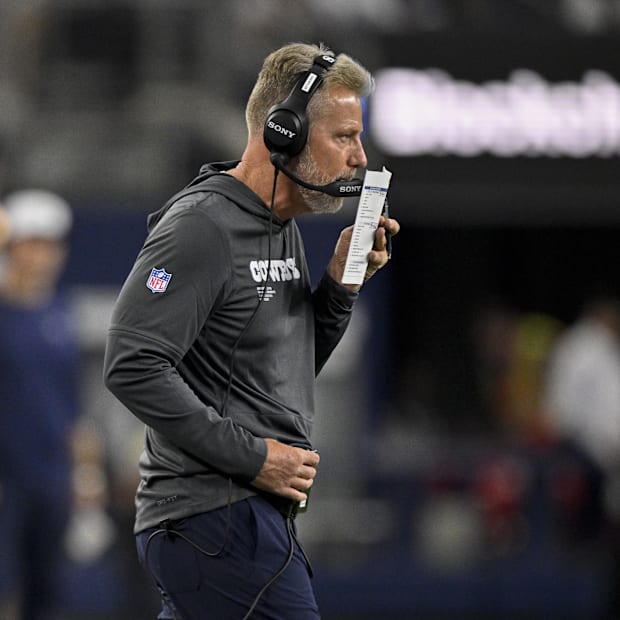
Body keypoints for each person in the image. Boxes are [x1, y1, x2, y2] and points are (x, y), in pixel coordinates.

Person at [104, 41, 399, 619]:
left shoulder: (275, 224)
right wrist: (255, 457)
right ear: (282, 131)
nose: (360, 157)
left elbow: (277, 377)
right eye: (344, 136)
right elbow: (130, 364)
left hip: (234, 522)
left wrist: (339, 288)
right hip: (215, 519)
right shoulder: (202, 227)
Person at [0, 190, 81, 620]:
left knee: (48, 594)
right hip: (5, 482)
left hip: (51, 480)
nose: (44, 255)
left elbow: (71, 404)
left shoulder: (60, 314)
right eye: (33, 243)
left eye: (52, 244)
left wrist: (84, 477)